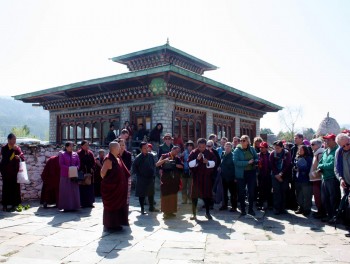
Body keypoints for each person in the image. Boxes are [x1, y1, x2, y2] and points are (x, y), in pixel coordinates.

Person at [100, 141, 130, 231]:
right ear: (113, 149)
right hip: (112, 189)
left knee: (119, 206)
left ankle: (117, 223)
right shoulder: (109, 159)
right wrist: (110, 183)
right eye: (118, 147)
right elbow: (102, 173)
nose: (120, 148)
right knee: (112, 207)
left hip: (119, 189)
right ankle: (111, 224)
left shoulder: (118, 158)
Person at [188, 138, 216, 220]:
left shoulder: (209, 152)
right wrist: (197, 159)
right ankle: (194, 214)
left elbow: (214, 162)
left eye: (203, 147)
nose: (201, 149)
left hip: (206, 178)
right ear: (197, 145)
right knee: (194, 196)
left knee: (207, 195)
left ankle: (207, 213)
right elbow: (189, 164)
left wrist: (207, 162)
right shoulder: (193, 152)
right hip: (196, 178)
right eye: (200, 147)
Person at [233, 135, 258, 216]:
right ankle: (243, 210)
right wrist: (247, 162)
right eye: (241, 140)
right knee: (241, 192)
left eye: (244, 140)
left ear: (248, 142)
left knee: (251, 192)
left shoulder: (252, 149)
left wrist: (254, 161)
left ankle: (250, 209)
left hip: (251, 173)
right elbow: (236, 162)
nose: (242, 141)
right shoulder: (237, 150)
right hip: (241, 174)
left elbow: (256, 158)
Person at [317, 134, 340, 224]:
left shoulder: (337, 151)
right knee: (325, 199)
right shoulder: (326, 151)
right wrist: (321, 166)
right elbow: (320, 162)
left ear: (334, 140)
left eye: (328, 140)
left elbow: (332, 165)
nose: (326, 141)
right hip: (324, 178)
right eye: (325, 140)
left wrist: (322, 166)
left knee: (333, 199)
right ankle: (329, 215)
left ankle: (334, 216)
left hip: (332, 178)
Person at [156, 146, 183, 218]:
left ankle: (171, 211)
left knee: (173, 195)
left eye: (178, 152)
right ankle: (165, 212)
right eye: (176, 151)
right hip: (166, 178)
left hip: (174, 179)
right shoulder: (164, 156)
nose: (177, 153)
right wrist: (164, 160)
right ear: (172, 150)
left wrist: (175, 165)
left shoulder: (177, 158)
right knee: (165, 194)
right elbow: (157, 164)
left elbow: (182, 166)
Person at [0, 133, 25, 212]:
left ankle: (15, 204)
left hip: (14, 171)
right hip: (6, 171)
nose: (14, 141)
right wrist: (12, 150)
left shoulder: (17, 148)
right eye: (13, 139)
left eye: (15, 139)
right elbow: (6, 157)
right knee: (6, 187)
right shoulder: (4, 148)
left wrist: (19, 157)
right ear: (9, 140)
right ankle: (5, 205)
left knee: (15, 187)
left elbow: (22, 156)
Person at [132, 142, 159, 214]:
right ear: (141, 149)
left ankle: (151, 207)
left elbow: (154, 165)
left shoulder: (150, 156)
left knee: (151, 193)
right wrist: (139, 174)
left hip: (150, 177)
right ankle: (142, 209)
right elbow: (134, 168)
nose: (146, 149)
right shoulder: (138, 158)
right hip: (141, 178)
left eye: (147, 147)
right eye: (144, 148)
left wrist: (153, 173)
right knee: (142, 194)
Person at [270, 140, 291, 215]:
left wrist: (281, 174)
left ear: (282, 147)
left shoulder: (286, 153)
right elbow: (272, 165)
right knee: (276, 192)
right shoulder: (272, 154)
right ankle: (276, 208)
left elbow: (287, 165)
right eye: (275, 148)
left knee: (283, 191)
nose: (276, 149)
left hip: (284, 175)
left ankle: (283, 208)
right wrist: (276, 175)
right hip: (275, 175)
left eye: (278, 148)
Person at [58, 141, 80, 211]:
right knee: (66, 191)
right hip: (65, 175)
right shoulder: (62, 154)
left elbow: (78, 163)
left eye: (72, 146)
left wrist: (76, 167)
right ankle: (66, 207)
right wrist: (69, 168)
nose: (71, 147)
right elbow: (61, 164)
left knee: (74, 191)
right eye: (70, 146)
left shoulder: (75, 154)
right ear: (66, 147)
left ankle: (74, 206)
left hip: (74, 175)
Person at [294, 145, 313, 216]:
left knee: (307, 195)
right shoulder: (297, 157)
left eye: (302, 150)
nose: (300, 151)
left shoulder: (309, 159)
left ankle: (307, 209)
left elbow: (309, 168)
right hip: (298, 179)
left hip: (305, 179)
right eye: (299, 150)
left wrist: (301, 169)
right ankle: (300, 207)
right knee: (299, 195)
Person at [309, 138, 325, 219]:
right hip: (315, 178)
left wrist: (315, 173)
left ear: (318, 145)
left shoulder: (320, 153)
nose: (310, 146)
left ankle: (321, 212)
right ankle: (320, 211)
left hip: (318, 179)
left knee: (319, 196)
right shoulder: (316, 153)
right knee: (317, 196)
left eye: (312, 144)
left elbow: (321, 166)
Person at [219, 142, 237, 212]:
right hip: (223, 177)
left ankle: (234, 207)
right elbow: (221, 164)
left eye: (229, 146)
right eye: (226, 146)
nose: (227, 147)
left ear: (231, 148)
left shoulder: (233, 156)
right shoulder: (223, 155)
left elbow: (235, 167)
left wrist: (235, 177)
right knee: (224, 192)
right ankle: (224, 205)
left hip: (231, 177)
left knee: (233, 193)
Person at [77, 140, 96, 208]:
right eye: (85, 145)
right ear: (82, 146)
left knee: (89, 188)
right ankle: (82, 203)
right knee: (82, 188)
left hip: (89, 174)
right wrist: (82, 169)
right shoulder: (79, 153)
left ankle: (90, 202)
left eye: (87, 145)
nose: (87, 146)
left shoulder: (90, 153)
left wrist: (92, 168)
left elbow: (93, 162)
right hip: (82, 173)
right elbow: (78, 163)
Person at [288, 133, 304, 210]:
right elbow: (291, 159)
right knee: (293, 188)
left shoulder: (306, 148)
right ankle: (293, 204)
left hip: (302, 173)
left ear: (301, 139)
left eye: (296, 138)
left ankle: (302, 206)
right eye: (294, 138)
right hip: (294, 172)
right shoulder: (293, 148)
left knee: (301, 190)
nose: (295, 139)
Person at [117, 138, 132, 218]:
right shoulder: (115, 154)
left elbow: (128, 166)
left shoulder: (128, 154)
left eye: (123, 145)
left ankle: (125, 209)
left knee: (126, 194)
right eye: (120, 145)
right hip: (117, 177)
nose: (122, 147)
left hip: (125, 176)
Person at [256, 141, 272, 210]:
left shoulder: (270, 155)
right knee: (261, 189)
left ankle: (269, 204)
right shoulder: (258, 155)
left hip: (268, 175)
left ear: (266, 148)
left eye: (263, 148)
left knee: (268, 189)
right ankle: (260, 203)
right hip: (261, 175)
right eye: (260, 148)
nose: (261, 149)